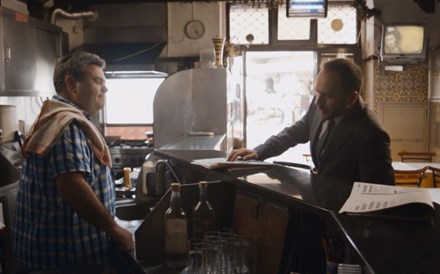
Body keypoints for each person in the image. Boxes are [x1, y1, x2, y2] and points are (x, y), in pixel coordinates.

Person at [13, 51, 134, 273]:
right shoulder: (67, 125)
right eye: (97, 80)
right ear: (72, 84)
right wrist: (114, 229)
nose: (105, 88)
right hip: (62, 260)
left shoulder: (60, 117)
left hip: (57, 256)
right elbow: (72, 186)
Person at [228, 58, 395, 185]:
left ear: (351, 97)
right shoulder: (320, 105)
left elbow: (378, 195)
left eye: (328, 96)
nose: (318, 102)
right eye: (317, 93)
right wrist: (259, 152)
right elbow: (294, 132)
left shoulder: (372, 135)